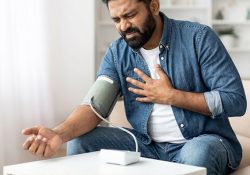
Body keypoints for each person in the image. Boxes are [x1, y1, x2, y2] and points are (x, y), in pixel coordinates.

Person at [22, 0, 247, 174]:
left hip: (201, 140)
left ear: (154, 6)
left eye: (130, 15)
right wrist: (58, 133)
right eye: (116, 19)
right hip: (148, 146)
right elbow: (95, 106)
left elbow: (235, 100)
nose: (123, 26)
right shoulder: (117, 53)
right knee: (81, 142)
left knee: (199, 152)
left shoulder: (198, 38)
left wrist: (172, 96)